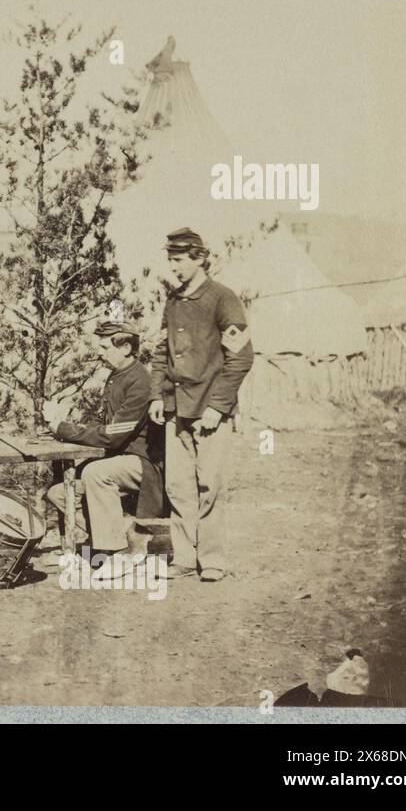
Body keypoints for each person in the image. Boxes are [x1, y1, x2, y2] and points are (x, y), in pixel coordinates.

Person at [147, 228, 254, 582]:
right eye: (170, 260)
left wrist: (218, 406)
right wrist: (157, 396)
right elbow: (161, 352)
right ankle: (183, 557)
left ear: (199, 258)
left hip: (210, 411)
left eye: (178, 260)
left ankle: (212, 559)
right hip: (177, 410)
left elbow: (241, 358)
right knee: (178, 487)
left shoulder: (223, 299)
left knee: (210, 485)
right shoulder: (173, 301)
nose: (173, 267)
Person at [42, 320, 162, 582]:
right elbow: (104, 425)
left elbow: (114, 435)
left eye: (106, 346)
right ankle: (128, 537)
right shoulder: (116, 376)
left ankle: (118, 553)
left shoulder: (140, 380)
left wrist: (62, 428)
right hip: (120, 458)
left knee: (96, 473)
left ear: (127, 347)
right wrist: (63, 428)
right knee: (60, 492)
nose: (99, 352)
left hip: (144, 462)